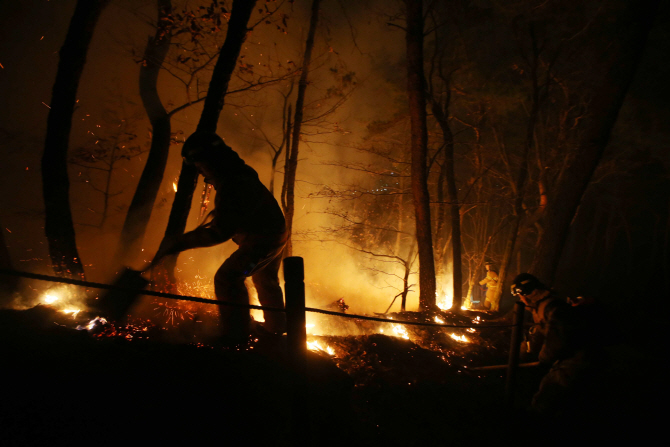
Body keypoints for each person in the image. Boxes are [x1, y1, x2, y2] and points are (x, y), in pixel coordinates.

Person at [152, 132, 288, 344]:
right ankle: (277, 329)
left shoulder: (234, 182)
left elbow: (221, 232)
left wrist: (182, 242)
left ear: (210, 159)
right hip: (274, 234)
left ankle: (236, 336)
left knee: (228, 278)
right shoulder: (235, 173)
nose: (200, 171)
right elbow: (238, 211)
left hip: (262, 240)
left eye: (200, 165)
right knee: (265, 279)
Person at [510, 273, 607, 417]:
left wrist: (543, 360)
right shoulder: (540, 307)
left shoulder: (553, 308)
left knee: (550, 391)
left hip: (578, 358)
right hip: (568, 357)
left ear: (526, 293)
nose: (520, 300)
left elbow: (556, 340)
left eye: (520, 295)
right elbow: (537, 333)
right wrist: (519, 355)